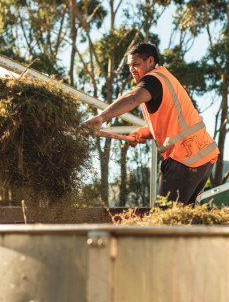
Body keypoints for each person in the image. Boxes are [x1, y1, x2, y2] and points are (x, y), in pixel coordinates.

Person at [83, 42, 219, 205]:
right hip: (204, 158)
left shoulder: (153, 80)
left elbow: (131, 98)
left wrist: (101, 117)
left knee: (163, 219)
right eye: (129, 66)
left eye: (136, 64)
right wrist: (143, 133)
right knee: (183, 219)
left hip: (185, 158)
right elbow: (173, 124)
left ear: (150, 61)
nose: (132, 69)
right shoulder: (166, 80)